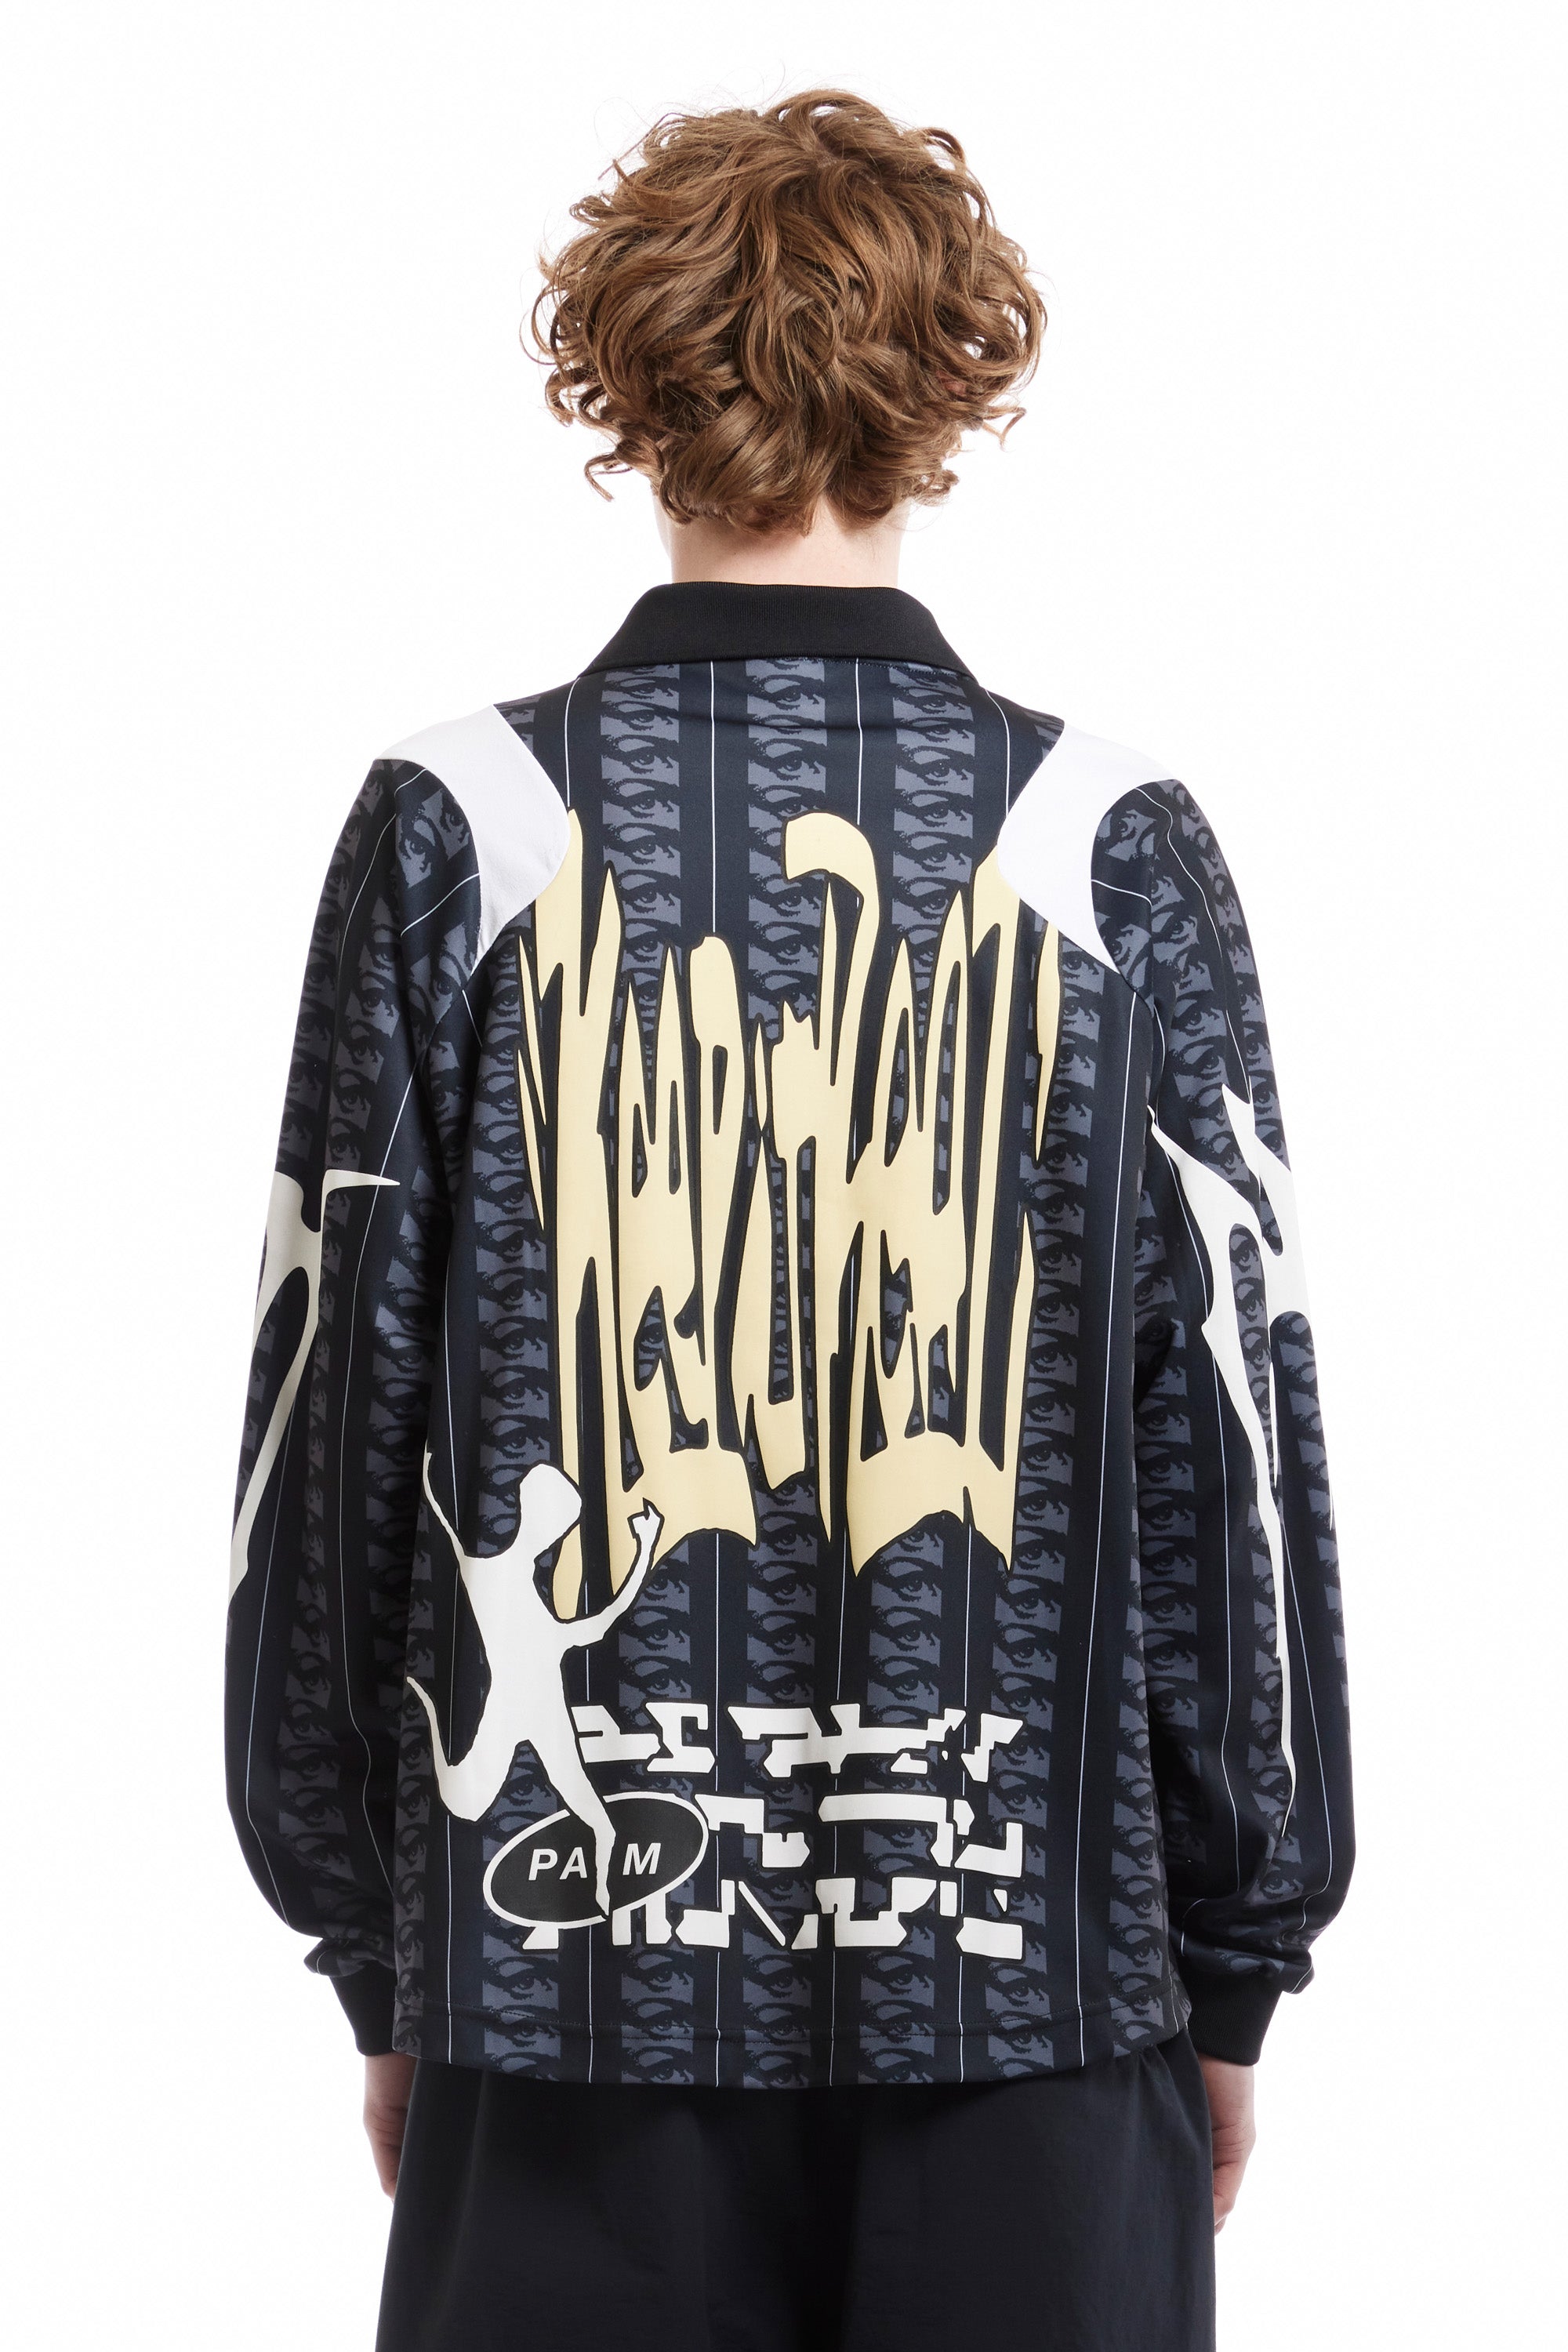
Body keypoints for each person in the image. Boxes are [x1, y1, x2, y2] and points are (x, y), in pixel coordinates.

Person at [226, 89, 1352, 2352]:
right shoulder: (1106, 846)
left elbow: (326, 1437)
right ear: (948, 393)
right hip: (1038, 1988)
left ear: (625, 386)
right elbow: (1234, 1445)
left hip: (560, 1975)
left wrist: (377, 1938)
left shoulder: (464, 833)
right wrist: (1242, 1952)